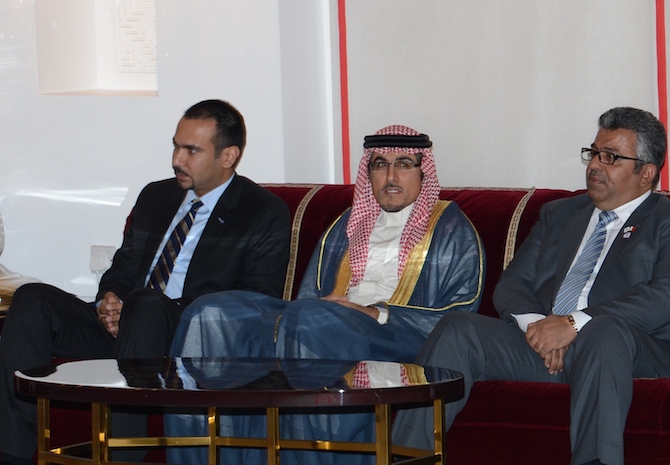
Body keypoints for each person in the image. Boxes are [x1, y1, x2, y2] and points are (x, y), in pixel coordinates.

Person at [391, 107, 670, 465]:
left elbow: (667, 296)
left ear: (646, 173)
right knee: (457, 329)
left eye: (610, 157)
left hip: (629, 351)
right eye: (593, 153)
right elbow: (513, 282)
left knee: (603, 332)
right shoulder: (559, 214)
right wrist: (539, 329)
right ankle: (407, 459)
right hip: (544, 349)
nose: (594, 165)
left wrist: (572, 324)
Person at [167, 124, 484, 465]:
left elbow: (458, 316)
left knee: (310, 320)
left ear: (423, 172)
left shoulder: (451, 228)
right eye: (380, 164)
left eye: (404, 164)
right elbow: (309, 298)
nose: (391, 176)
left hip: (398, 334)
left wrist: (376, 312)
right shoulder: (347, 223)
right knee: (211, 314)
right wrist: (322, 311)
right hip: (324, 320)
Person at [0, 99, 291, 465]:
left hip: (184, 336)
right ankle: (13, 453)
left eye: (191, 150)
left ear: (228, 156)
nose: (177, 159)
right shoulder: (156, 196)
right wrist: (110, 299)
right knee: (31, 299)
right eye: (176, 146)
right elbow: (123, 268)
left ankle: (121, 455)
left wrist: (142, 306)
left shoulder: (261, 211)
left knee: (145, 304)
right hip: (130, 323)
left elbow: (257, 299)